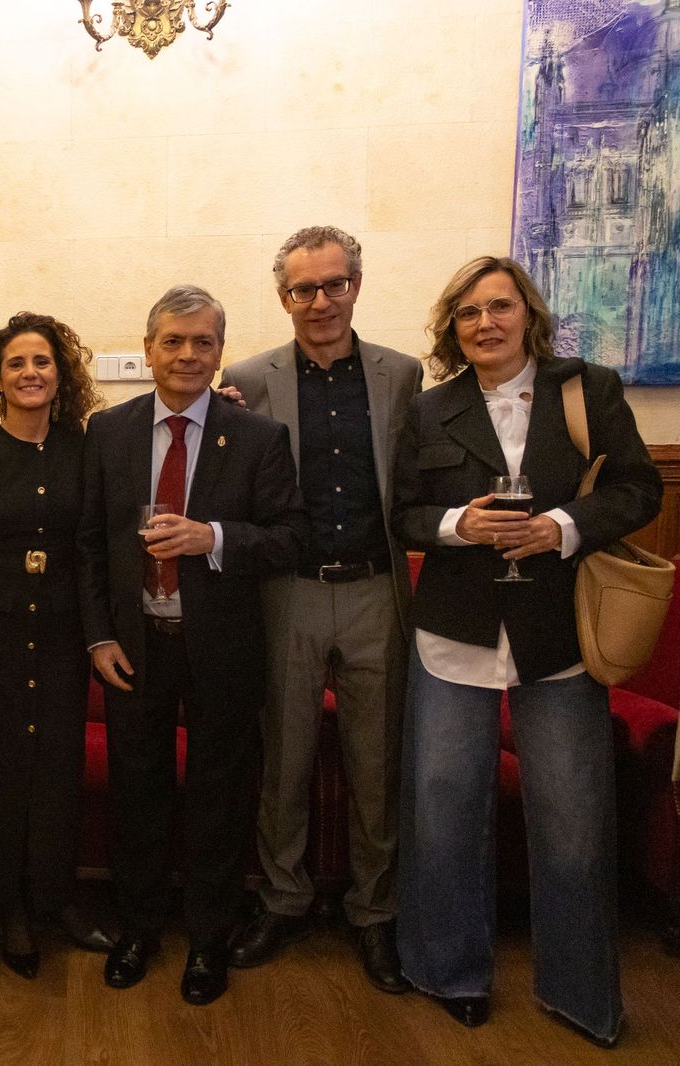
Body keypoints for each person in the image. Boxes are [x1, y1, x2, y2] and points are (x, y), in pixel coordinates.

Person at [392, 256, 661, 1046]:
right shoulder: (429, 410)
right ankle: (450, 972)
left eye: (500, 306)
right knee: (443, 812)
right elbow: (404, 513)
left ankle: (579, 993)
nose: (486, 323)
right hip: (454, 634)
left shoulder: (589, 391)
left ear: (529, 314)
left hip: (559, 637)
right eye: (468, 312)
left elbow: (639, 488)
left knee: (574, 821)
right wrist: (457, 526)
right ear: (454, 328)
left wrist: (562, 528)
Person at [77, 284, 306, 1005]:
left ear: (219, 351)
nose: (186, 354)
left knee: (219, 794)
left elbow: (290, 539)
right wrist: (98, 636)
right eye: (172, 341)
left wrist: (214, 538)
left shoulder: (260, 437)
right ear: (147, 351)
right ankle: (139, 927)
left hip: (223, 646)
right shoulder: (106, 432)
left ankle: (208, 937)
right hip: (134, 644)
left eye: (202, 342)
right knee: (137, 792)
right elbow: (88, 544)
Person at [218, 226, 422, 992]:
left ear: (356, 286)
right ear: (283, 299)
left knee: (377, 766)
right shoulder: (248, 376)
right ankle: (283, 900)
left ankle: (375, 914)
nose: (320, 301)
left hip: (375, 589)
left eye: (334, 284)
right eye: (304, 289)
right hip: (289, 594)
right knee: (285, 760)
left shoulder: (402, 374)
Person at [0, 312, 112, 980]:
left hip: (63, 638)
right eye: (16, 363)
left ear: (60, 374)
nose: (31, 373)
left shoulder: (84, 445)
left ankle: (54, 898)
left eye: (42, 361)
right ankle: (6, 906)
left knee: (56, 772)